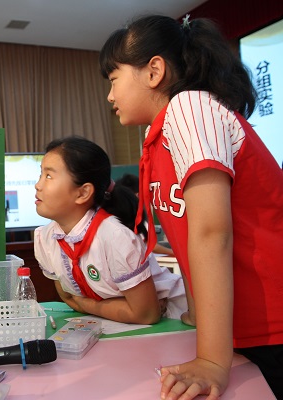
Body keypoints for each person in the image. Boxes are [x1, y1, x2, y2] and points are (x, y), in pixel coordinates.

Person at [100, 14, 283, 399]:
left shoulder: (190, 107)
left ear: (154, 71)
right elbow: (187, 235)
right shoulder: (158, 133)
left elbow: (212, 232)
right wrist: (199, 315)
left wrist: (212, 360)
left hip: (273, 320)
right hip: (243, 328)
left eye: (114, 79)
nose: (110, 96)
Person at [33, 136, 187, 324]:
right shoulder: (45, 238)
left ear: (83, 193)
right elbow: (69, 299)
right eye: (41, 174)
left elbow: (146, 314)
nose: (38, 185)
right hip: (121, 325)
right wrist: (109, 307)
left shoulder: (114, 237)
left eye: (49, 176)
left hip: (176, 318)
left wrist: (85, 304)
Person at [116, 173, 174, 256]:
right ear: (138, 195)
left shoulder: (112, 217)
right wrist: (173, 253)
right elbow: (153, 247)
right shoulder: (135, 218)